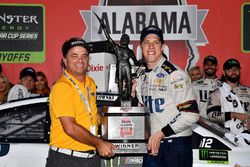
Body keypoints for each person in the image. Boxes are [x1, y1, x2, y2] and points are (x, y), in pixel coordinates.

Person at [45, 37, 116, 167]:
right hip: (66, 159)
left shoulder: (90, 83)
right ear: (65, 61)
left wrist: (120, 123)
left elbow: (92, 115)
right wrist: (99, 143)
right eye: (74, 56)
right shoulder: (62, 87)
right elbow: (70, 128)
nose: (80, 60)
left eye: (84, 56)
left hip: (91, 158)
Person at [134, 26, 199, 167]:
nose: (151, 46)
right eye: (146, 42)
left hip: (175, 144)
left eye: (156, 42)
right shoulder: (142, 76)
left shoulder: (175, 74)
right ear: (141, 47)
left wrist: (160, 134)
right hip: (153, 144)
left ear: (162, 47)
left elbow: (190, 115)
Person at [95, 13, 139, 100]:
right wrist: (103, 26)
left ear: (127, 41)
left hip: (123, 66)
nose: (124, 40)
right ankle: (121, 96)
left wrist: (143, 62)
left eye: (125, 39)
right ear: (121, 40)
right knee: (122, 80)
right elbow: (108, 38)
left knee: (127, 80)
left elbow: (136, 62)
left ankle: (127, 96)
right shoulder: (120, 49)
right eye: (123, 39)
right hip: (122, 66)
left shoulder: (124, 50)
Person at [207, 58, 250, 146]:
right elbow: (212, 115)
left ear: (239, 71)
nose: (233, 71)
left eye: (236, 69)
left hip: (247, 135)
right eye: (230, 69)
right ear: (224, 72)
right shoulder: (216, 92)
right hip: (225, 137)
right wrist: (234, 115)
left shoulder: (248, 91)